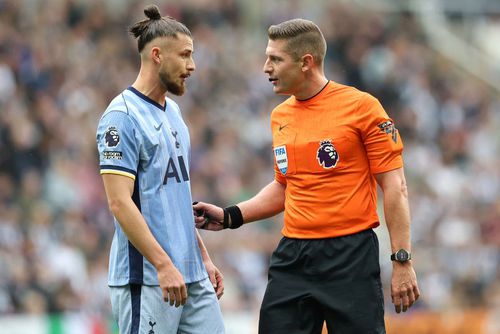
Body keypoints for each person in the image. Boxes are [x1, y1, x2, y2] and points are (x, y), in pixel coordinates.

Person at [193, 18, 420, 334]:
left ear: (306, 63)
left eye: (275, 59)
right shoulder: (280, 116)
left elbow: (395, 186)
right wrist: (231, 215)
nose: (265, 67)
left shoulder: (362, 107)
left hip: (350, 255)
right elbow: (285, 187)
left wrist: (402, 260)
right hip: (294, 256)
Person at [96, 5, 225, 334]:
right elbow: (119, 203)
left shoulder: (174, 114)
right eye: (185, 55)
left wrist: (203, 258)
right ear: (157, 55)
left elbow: (177, 198)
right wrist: (163, 265)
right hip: (150, 278)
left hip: (191, 276)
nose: (192, 66)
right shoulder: (121, 117)